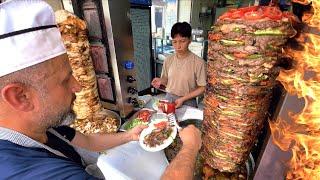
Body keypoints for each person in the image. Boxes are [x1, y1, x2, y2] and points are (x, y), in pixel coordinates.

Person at [0, 0, 202, 179]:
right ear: (20, 97)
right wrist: (190, 148)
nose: (78, 86)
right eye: (65, 80)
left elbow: (87, 139)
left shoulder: (49, 128)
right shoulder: (35, 172)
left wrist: (129, 136)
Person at [151, 22, 207, 108]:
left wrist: (183, 99)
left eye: (182, 41)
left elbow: (202, 88)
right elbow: (165, 80)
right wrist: (160, 81)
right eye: (174, 42)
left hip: (188, 101)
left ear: (189, 40)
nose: (178, 46)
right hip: (169, 98)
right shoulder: (168, 60)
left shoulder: (199, 62)